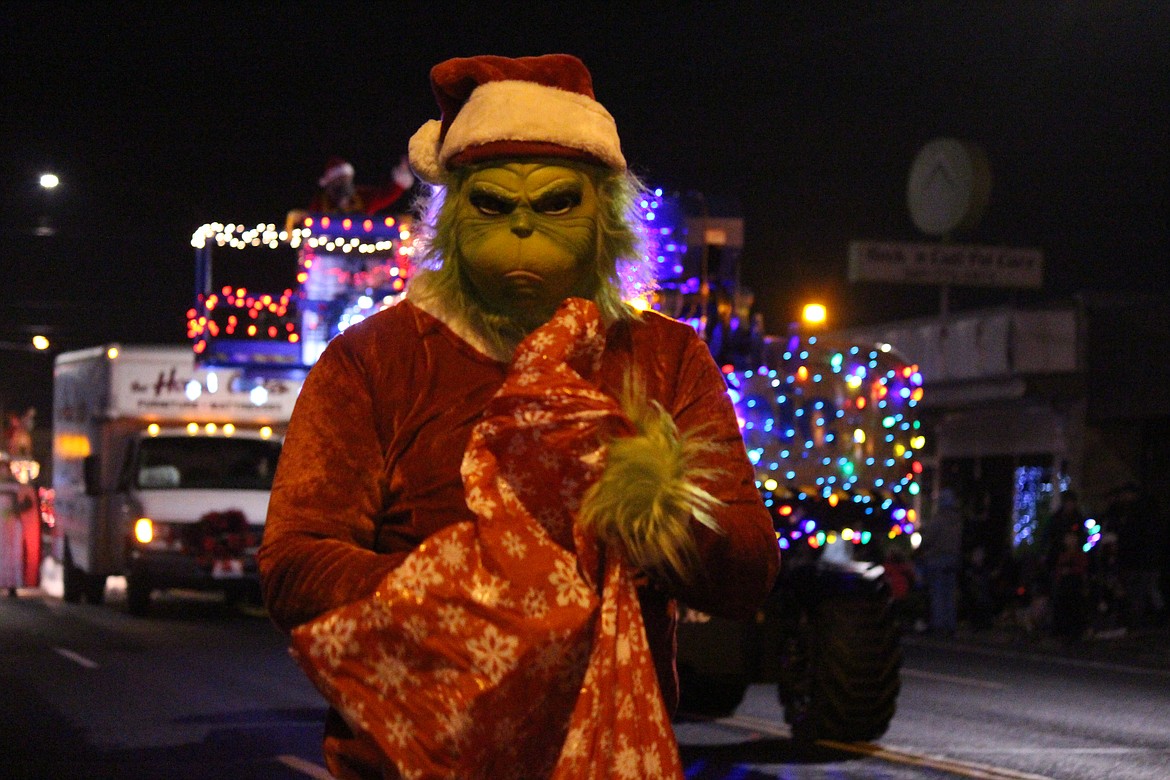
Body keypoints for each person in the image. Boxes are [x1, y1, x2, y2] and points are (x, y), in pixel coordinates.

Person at [259, 54, 780, 779]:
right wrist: (468, 597)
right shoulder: (375, 361)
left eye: (557, 203)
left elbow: (748, 568)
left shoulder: (664, 358)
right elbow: (294, 562)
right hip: (412, 762)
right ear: (451, 215)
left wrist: (656, 506)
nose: (525, 230)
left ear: (605, 215)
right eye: (496, 206)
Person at [920, 488, 963, 637]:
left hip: (937, 560)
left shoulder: (938, 520)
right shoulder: (957, 521)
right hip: (952, 560)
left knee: (937, 593)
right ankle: (950, 624)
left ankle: (938, 625)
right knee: (949, 594)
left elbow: (928, 540)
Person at [309, 155, 415, 215]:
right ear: (330, 183)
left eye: (347, 179)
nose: (344, 183)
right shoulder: (319, 202)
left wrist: (403, 172)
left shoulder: (363, 197)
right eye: (339, 179)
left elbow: (387, 195)